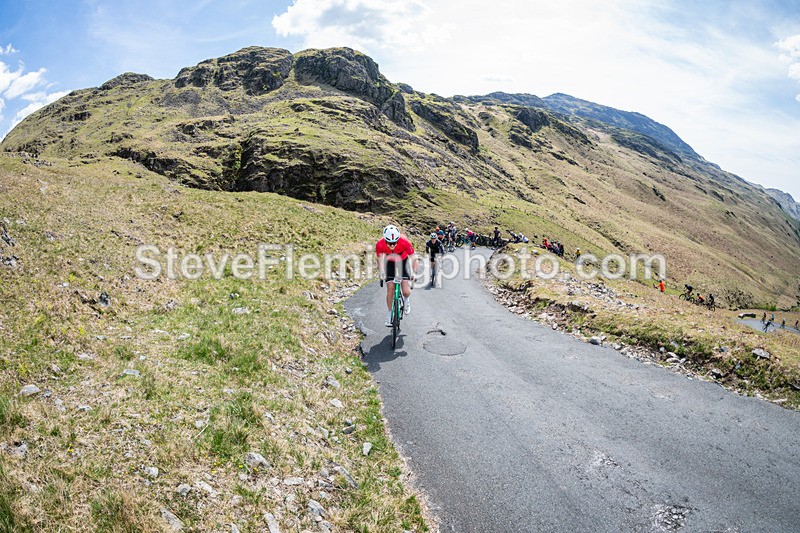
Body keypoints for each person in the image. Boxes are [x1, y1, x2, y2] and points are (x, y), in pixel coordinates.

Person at [376, 225, 418, 327]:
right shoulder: (380, 244)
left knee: (406, 291)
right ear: (385, 240)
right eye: (389, 243)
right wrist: (381, 271)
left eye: (394, 242)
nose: (392, 245)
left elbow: (414, 257)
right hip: (389, 262)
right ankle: (390, 315)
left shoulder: (404, 241)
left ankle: (406, 300)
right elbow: (380, 259)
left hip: (403, 261)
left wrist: (414, 272)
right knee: (390, 289)